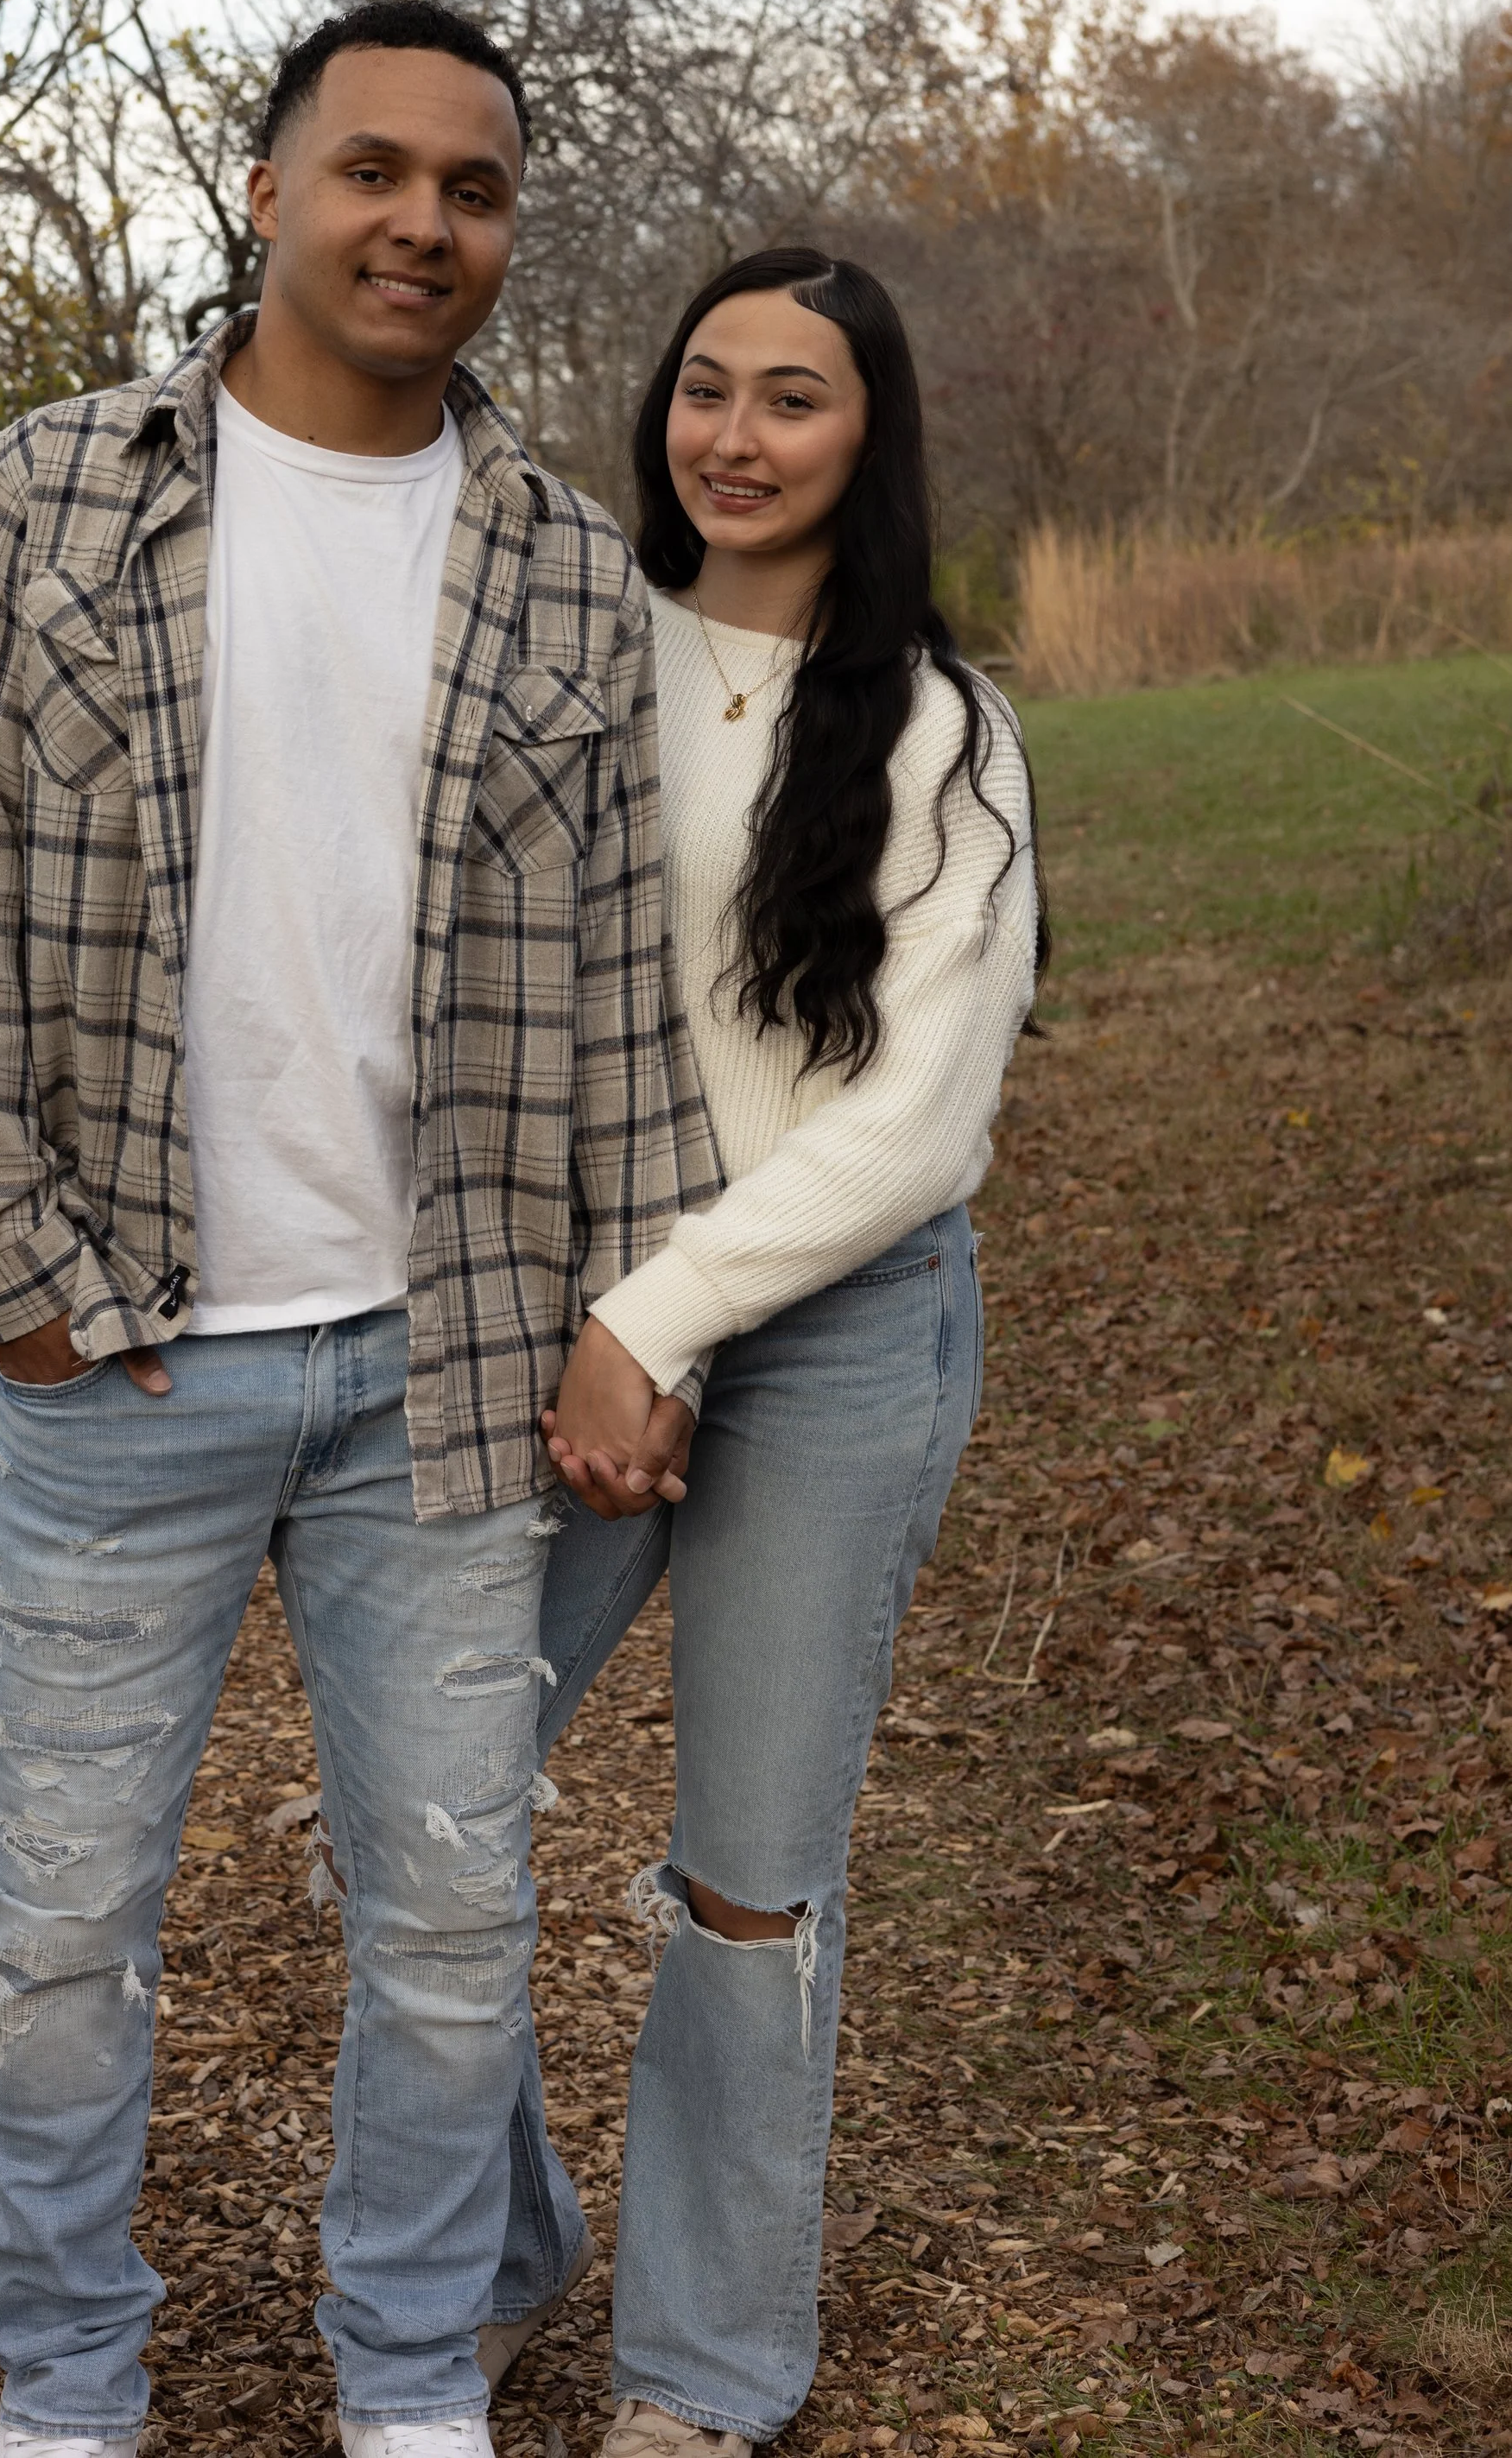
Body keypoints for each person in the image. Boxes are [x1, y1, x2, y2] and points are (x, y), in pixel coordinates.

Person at [0, 0, 710, 2458]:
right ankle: (62, 2364)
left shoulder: (563, 561)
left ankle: (410, 2358)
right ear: (265, 189)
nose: (419, 220)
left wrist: (629, 1314)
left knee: (450, 1927)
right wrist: (11, 1272)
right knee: (59, 1930)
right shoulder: (48, 495)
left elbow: (625, 992)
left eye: (469, 187)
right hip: (123, 1345)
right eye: (371, 168)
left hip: (433, 1361)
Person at [488, 249, 1046, 2458]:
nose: (731, 434)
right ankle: (490, 2256)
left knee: (743, 1874)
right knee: (423, 1817)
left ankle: (699, 2372)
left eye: (788, 399)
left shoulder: (936, 732)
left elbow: (916, 1119)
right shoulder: (557, 659)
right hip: (552, 1333)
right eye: (701, 389)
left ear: (864, 436)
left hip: (819, 1343)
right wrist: (583, 1315)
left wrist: (665, 1317)